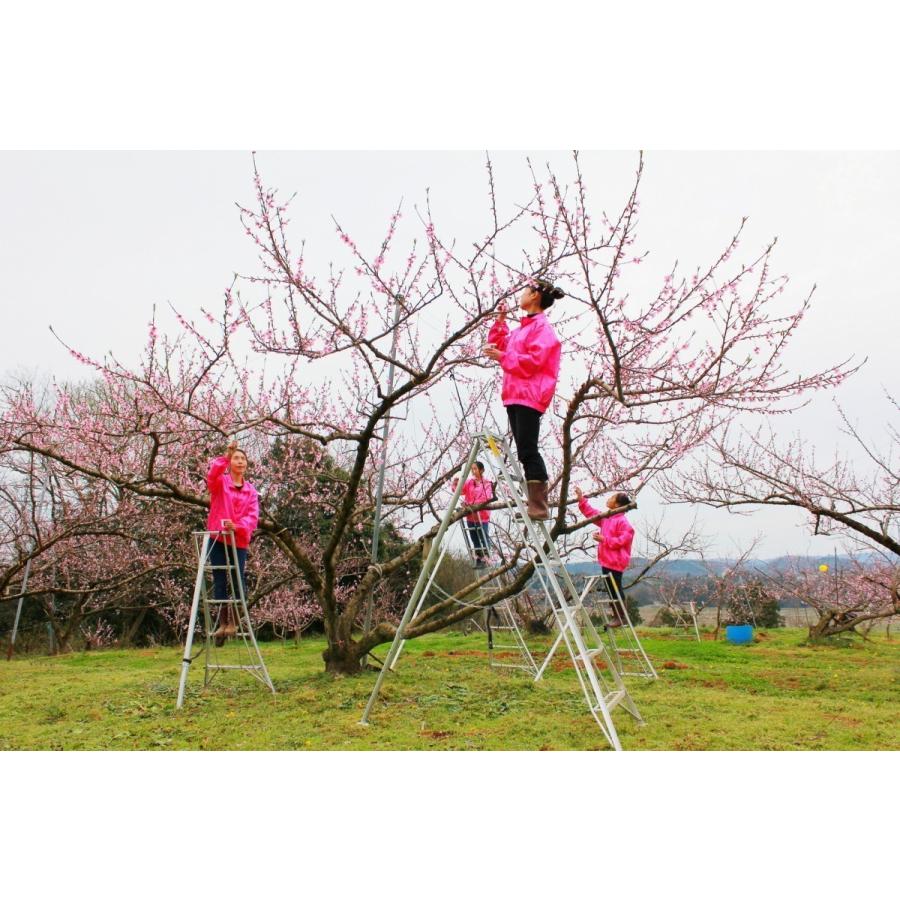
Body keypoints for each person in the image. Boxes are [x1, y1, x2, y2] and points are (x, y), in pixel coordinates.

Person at [484, 280, 563, 519]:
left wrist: (502, 357)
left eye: (525, 292)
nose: (521, 296)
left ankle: (538, 507)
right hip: (516, 394)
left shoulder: (543, 330)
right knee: (524, 451)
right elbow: (502, 344)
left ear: (535, 296)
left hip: (529, 395)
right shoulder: (523, 329)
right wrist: (500, 322)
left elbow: (532, 362)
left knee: (528, 450)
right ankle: (534, 505)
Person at [206, 440, 259, 645]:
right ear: (230, 462)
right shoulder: (221, 483)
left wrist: (236, 526)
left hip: (238, 539)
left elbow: (253, 517)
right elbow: (211, 476)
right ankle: (222, 622)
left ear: (246, 464)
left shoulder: (251, 491)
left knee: (238, 578)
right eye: (236, 458)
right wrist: (225, 456)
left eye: (242, 458)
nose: (239, 461)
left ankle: (234, 623)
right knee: (219, 578)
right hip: (218, 537)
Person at [574, 487, 635, 627]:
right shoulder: (607, 518)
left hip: (616, 561)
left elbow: (622, 541)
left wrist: (603, 539)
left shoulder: (623, 522)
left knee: (615, 588)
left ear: (618, 505)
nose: (608, 499)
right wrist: (581, 499)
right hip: (607, 561)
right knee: (610, 589)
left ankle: (621, 617)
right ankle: (617, 616)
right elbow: (591, 513)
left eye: (612, 498)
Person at [452, 460, 494, 568]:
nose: (473, 471)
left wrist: (469, 504)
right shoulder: (470, 482)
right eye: (472, 469)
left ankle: (486, 558)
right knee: (474, 539)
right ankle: (479, 559)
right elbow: (460, 491)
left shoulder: (487, 484)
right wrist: (456, 482)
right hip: (471, 516)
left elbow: (485, 498)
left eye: (475, 469)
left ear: (482, 470)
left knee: (483, 537)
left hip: (482, 516)